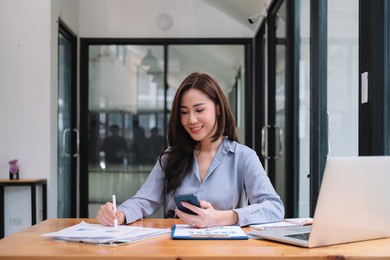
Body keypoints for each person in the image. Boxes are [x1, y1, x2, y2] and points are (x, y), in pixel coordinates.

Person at [97, 72, 284, 228]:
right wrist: (119, 214)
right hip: (176, 249)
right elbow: (144, 200)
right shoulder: (170, 158)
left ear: (218, 109)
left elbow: (274, 207)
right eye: (184, 112)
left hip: (226, 250)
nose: (191, 120)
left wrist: (223, 217)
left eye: (199, 110)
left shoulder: (243, 157)